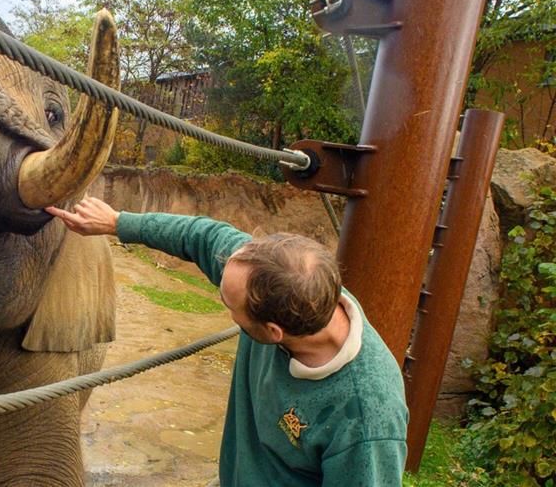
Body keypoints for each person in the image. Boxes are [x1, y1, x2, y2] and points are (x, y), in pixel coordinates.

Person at [46, 197, 408, 487]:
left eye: (227, 304)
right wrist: (117, 222)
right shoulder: (286, 282)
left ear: (271, 332)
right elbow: (203, 236)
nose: (223, 299)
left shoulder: (367, 420)